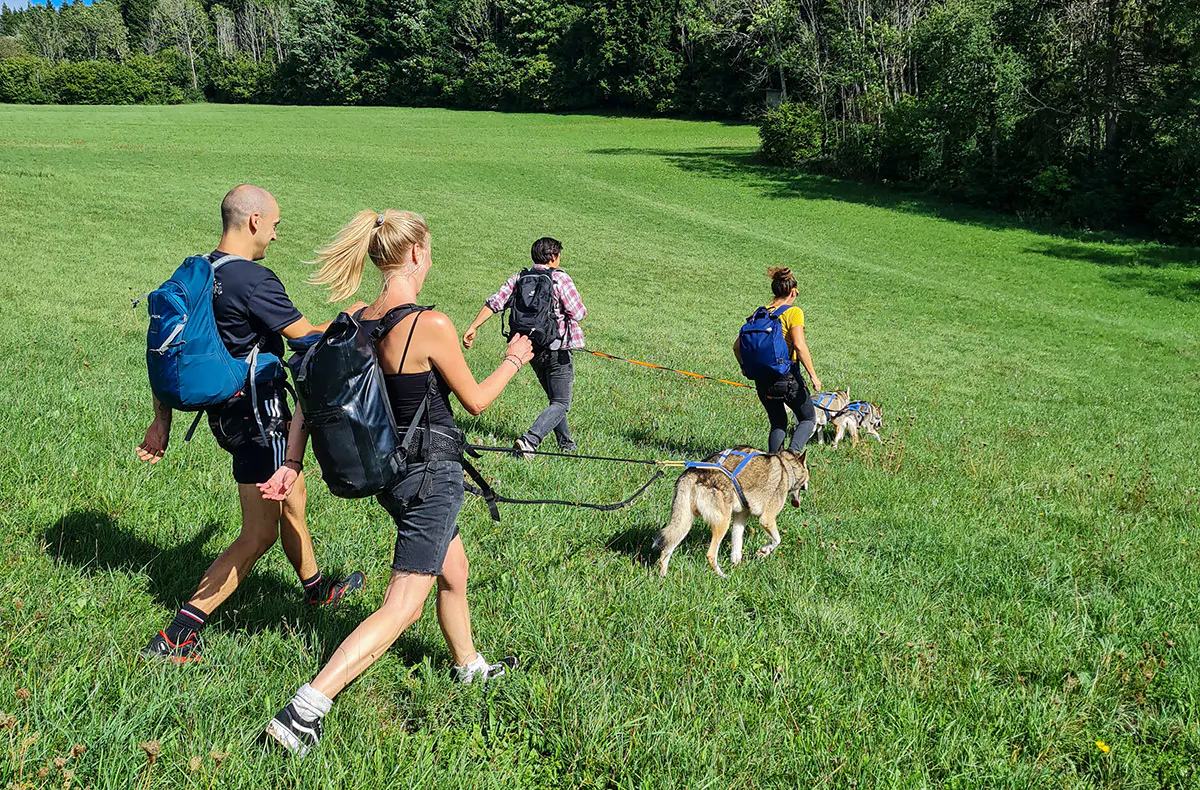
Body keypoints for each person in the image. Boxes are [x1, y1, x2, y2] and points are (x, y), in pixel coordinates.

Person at [260, 209, 535, 757]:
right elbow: (477, 401)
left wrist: (292, 462)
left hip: (389, 471)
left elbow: (309, 400)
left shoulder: (353, 318)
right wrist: (513, 359)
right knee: (405, 601)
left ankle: (469, 666)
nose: (429, 262)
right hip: (430, 472)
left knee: (452, 567)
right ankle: (306, 708)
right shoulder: (428, 324)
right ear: (414, 254)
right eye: (429, 253)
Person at [136, 185, 365, 663]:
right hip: (260, 418)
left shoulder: (196, 268)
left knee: (292, 500)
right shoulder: (254, 280)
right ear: (255, 221)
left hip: (227, 414)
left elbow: (164, 349)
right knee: (258, 533)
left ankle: (317, 590)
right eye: (276, 225)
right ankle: (177, 635)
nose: (276, 236)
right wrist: (355, 320)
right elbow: (306, 341)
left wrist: (161, 422)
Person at [462, 237, 586, 457]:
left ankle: (567, 445)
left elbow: (495, 302)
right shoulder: (560, 279)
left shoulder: (519, 278)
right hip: (558, 350)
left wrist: (474, 326)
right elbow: (578, 313)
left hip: (530, 349)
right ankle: (530, 441)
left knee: (555, 399)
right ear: (553, 256)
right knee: (561, 403)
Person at [733, 266, 824, 453]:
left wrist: (744, 367)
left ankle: (772, 465)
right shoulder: (793, 312)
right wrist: (814, 376)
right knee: (808, 419)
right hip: (787, 378)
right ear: (792, 292)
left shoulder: (758, 314)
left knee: (778, 423)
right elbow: (799, 345)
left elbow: (736, 346)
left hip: (762, 380)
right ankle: (791, 459)